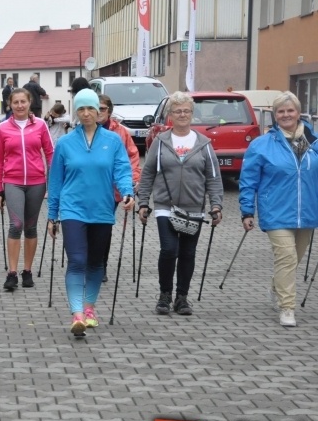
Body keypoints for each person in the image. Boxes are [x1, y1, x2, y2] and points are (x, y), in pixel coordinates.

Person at [47, 89, 134, 335]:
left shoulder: (113, 141)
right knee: (77, 261)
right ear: (76, 112)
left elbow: (122, 170)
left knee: (96, 263)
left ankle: (89, 308)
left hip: (102, 210)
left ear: (99, 111)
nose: (86, 113)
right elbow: (56, 181)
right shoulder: (64, 143)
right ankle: (76, 314)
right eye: (81, 109)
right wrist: (52, 215)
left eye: (91, 109)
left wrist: (127, 192)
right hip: (72, 209)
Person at [137, 91, 223, 317]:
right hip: (165, 206)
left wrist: (216, 205)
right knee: (169, 249)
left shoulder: (203, 144)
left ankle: (182, 297)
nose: (182, 114)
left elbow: (213, 178)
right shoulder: (160, 142)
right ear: (170, 115)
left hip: (194, 207)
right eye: (177, 111)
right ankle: (165, 294)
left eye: (186, 111)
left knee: (187, 253)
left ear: (192, 114)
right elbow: (147, 174)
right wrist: (143, 202)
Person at [239, 91, 318, 327]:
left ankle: (276, 285)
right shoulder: (262, 145)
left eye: (290, 110)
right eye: (280, 111)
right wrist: (247, 211)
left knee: (294, 259)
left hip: (307, 212)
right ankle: (287, 308)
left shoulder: (314, 142)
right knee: (287, 257)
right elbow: (248, 180)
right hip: (275, 211)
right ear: (275, 115)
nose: (286, 115)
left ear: (298, 112)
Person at [0, 88, 53, 291]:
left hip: (37, 182)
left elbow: (50, 153)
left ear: (29, 103)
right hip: (13, 182)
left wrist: (53, 182)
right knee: (16, 225)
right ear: (10, 105)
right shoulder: (3, 128)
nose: (19, 105)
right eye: (15, 102)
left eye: (23, 102)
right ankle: (12, 273)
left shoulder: (41, 125)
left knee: (30, 227)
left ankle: (27, 271)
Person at [97, 94, 141, 282]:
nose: (98, 112)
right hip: (90, 189)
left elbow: (132, 155)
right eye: (95, 107)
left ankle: (101, 265)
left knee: (104, 227)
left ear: (109, 111)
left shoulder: (120, 132)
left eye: (102, 108)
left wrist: (133, 179)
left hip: (113, 189)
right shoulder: (83, 130)